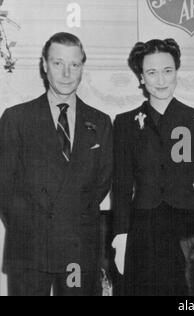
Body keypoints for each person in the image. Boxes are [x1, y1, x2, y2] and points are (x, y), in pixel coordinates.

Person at [0, 32, 113, 296]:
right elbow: (3, 186)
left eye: (74, 64)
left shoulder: (100, 123)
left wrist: (70, 218)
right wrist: (31, 225)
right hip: (30, 250)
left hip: (78, 252)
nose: (66, 73)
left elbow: (101, 184)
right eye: (57, 63)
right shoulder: (16, 119)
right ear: (44, 65)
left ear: (82, 67)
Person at [111, 39, 194, 296]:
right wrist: (120, 236)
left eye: (168, 71)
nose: (161, 80)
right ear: (141, 77)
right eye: (151, 72)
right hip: (143, 228)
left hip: (187, 227)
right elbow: (120, 186)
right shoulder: (125, 123)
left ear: (177, 71)